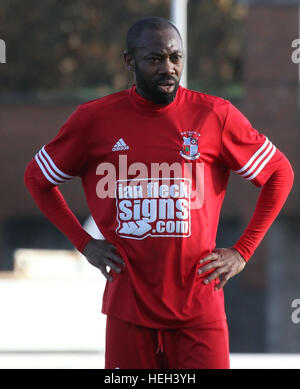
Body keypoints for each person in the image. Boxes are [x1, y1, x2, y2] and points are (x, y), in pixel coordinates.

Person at [24, 16, 294, 369]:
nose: (168, 68)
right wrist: (85, 243)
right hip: (128, 309)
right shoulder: (94, 120)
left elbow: (279, 172)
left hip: (199, 309)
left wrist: (243, 251)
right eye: (155, 59)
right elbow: (36, 179)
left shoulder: (214, 115)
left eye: (175, 57)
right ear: (129, 61)